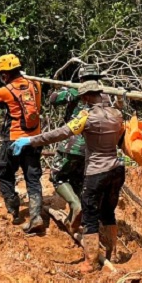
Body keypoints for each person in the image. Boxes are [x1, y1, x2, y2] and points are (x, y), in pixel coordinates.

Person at [12, 80, 125, 273]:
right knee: (108, 212)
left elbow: (60, 134)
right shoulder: (116, 114)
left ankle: (90, 262)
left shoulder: (86, 117)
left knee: (90, 216)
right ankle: (112, 254)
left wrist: (30, 140)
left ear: (86, 97)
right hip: (117, 169)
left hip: (97, 171)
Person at [0, 54, 44, 233]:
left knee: (4, 172)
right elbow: (37, 106)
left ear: (5, 74)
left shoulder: (5, 90)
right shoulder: (36, 84)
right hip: (34, 138)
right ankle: (36, 216)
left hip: (14, 138)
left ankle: (13, 208)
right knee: (33, 178)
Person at [46, 64, 104, 234]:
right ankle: (76, 217)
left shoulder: (75, 91)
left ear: (81, 79)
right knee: (79, 181)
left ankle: (75, 204)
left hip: (72, 144)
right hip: (93, 147)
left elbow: (53, 99)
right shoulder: (105, 95)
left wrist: (63, 88)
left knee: (57, 177)